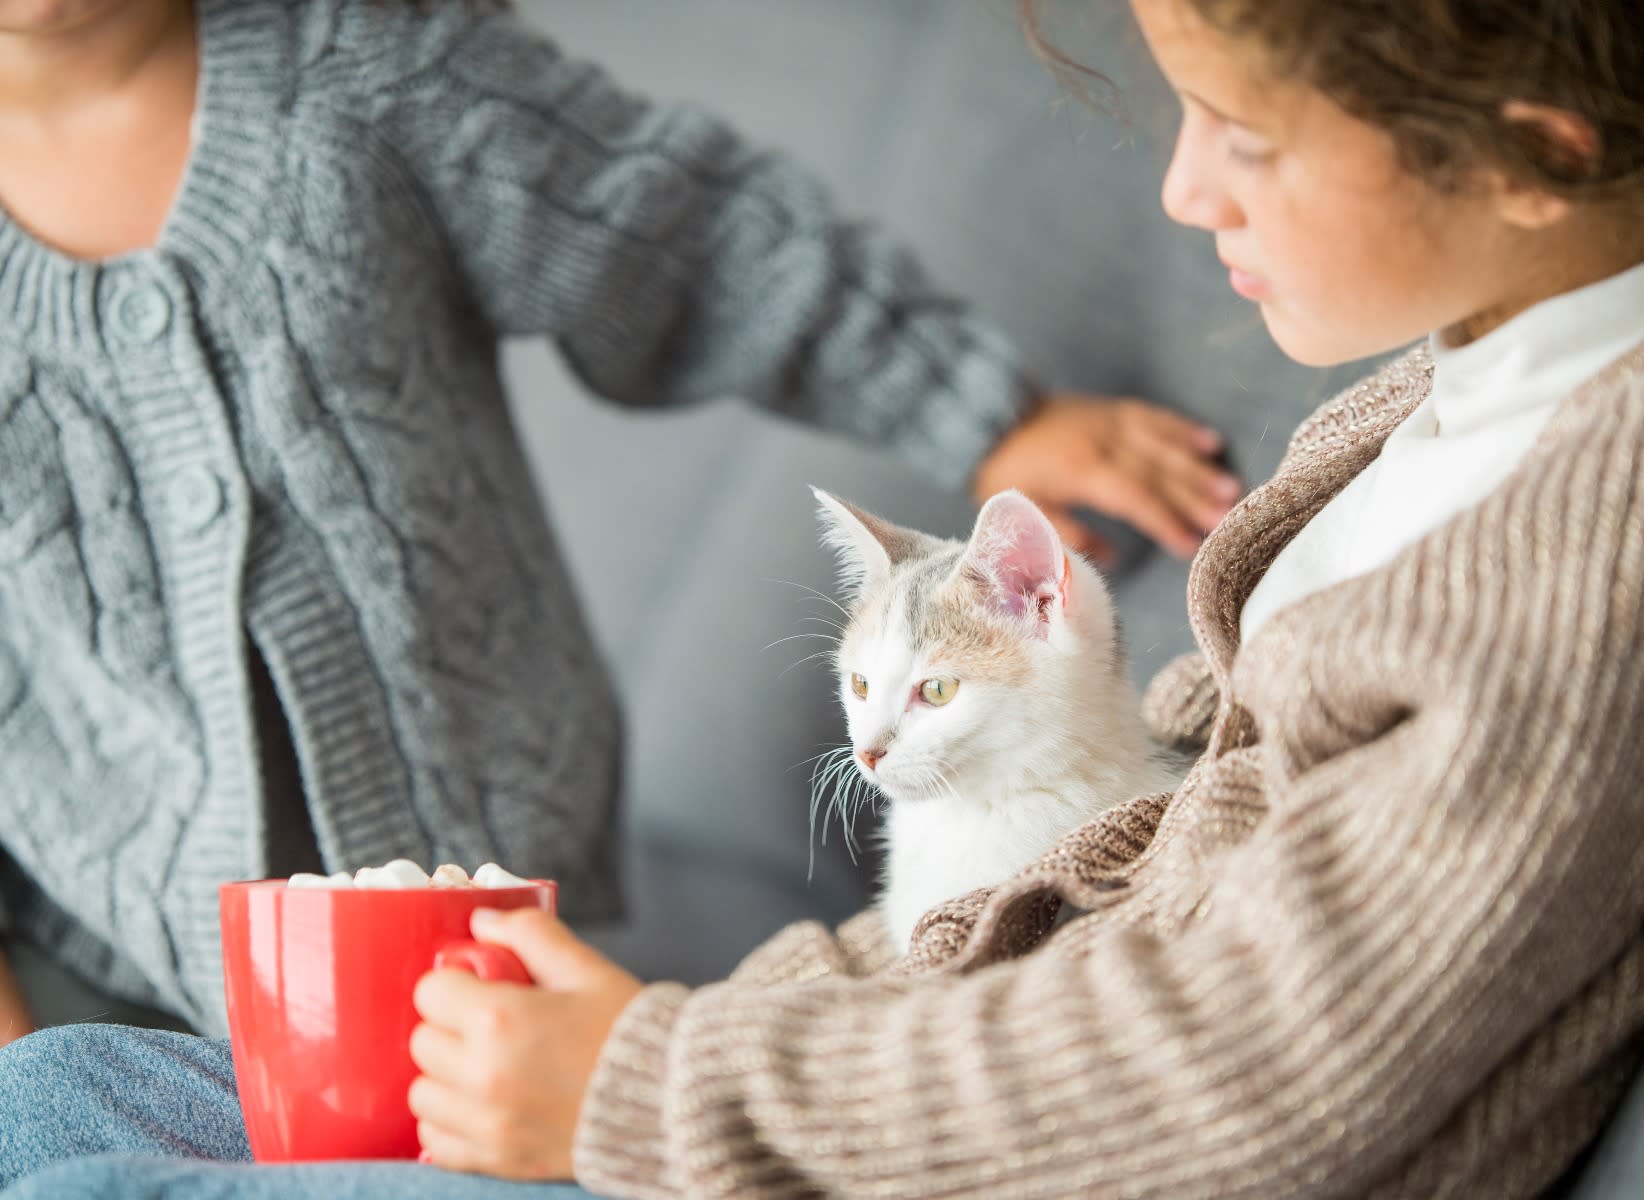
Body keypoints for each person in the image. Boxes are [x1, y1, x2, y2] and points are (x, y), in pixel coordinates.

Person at [5, 0, 1642, 1194]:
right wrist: (687, 1037)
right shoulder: (1432, 415)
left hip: (994, 1136)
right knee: (68, 1095)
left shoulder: (1564, 555)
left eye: (1248, 135)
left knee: (89, 1165)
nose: (1182, 193)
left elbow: (1246, 1071)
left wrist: (647, 1089)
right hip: (134, 924)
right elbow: (1115, 877)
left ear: (1527, 153)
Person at [0, 0, 1240, 1047]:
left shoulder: (374, 66)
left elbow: (681, 236)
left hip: (465, 894)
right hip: (87, 941)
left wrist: (978, 408)